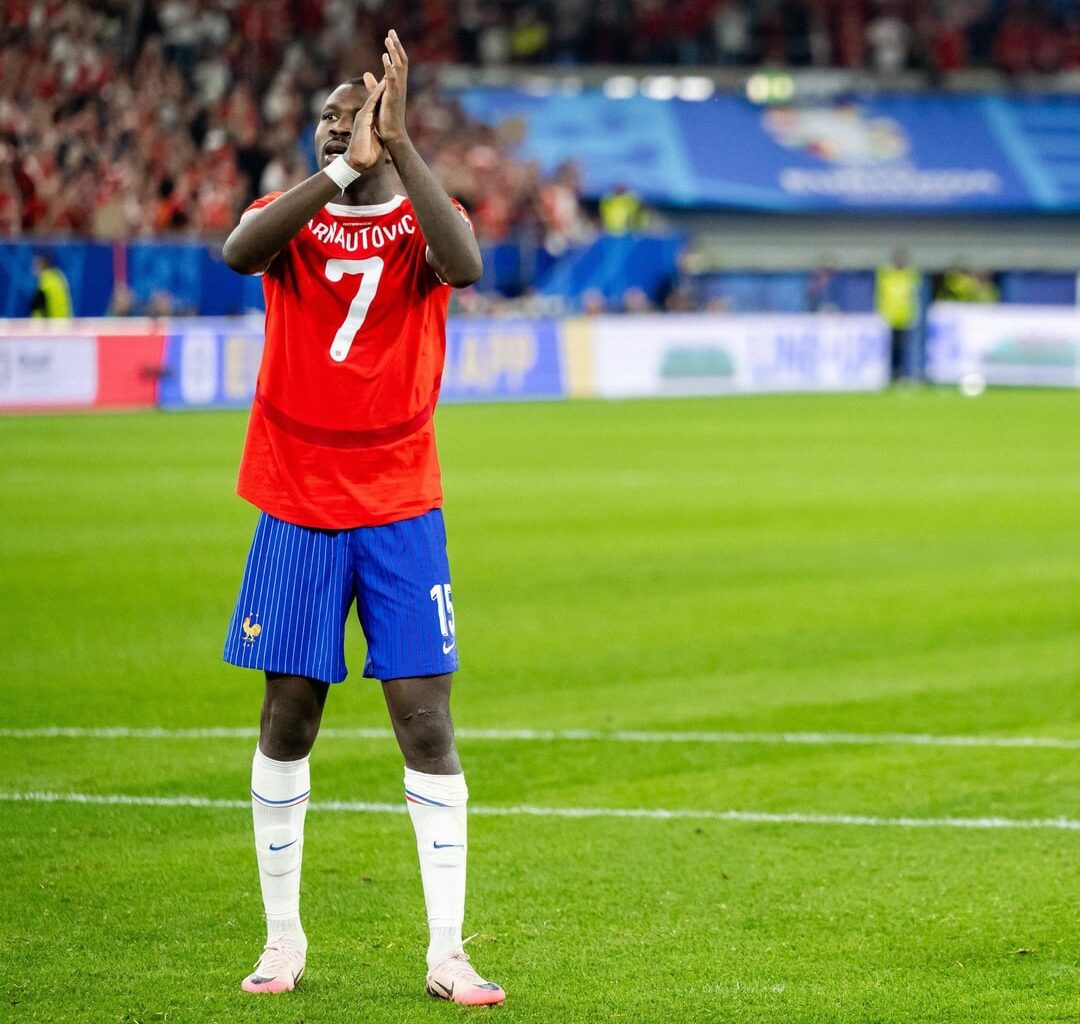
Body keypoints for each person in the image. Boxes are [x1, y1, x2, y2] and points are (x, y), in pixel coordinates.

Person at [220, 31, 503, 1007]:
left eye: (351, 116)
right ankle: (282, 938)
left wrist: (404, 147)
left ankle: (447, 951)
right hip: (297, 505)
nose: (334, 131)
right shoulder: (288, 215)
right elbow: (236, 252)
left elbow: (462, 265)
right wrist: (341, 168)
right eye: (328, 123)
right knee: (288, 713)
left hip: (398, 506)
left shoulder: (426, 222)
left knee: (425, 719)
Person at [875, 248, 922, 380]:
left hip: (905, 318)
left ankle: (904, 374)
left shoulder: (909, 275)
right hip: (889, 318)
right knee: (890, 350)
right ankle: (890, 374)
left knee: (904, 349)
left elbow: (915, 274)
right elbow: (882, 271)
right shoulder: (887, 275)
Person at [29, 253, 73, 318]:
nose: (33, 268)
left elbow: (37, 311)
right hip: (64, 325)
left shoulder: (45, 283)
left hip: (51, 326)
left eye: (36, 264)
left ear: (42, 264)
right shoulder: (59, 279)